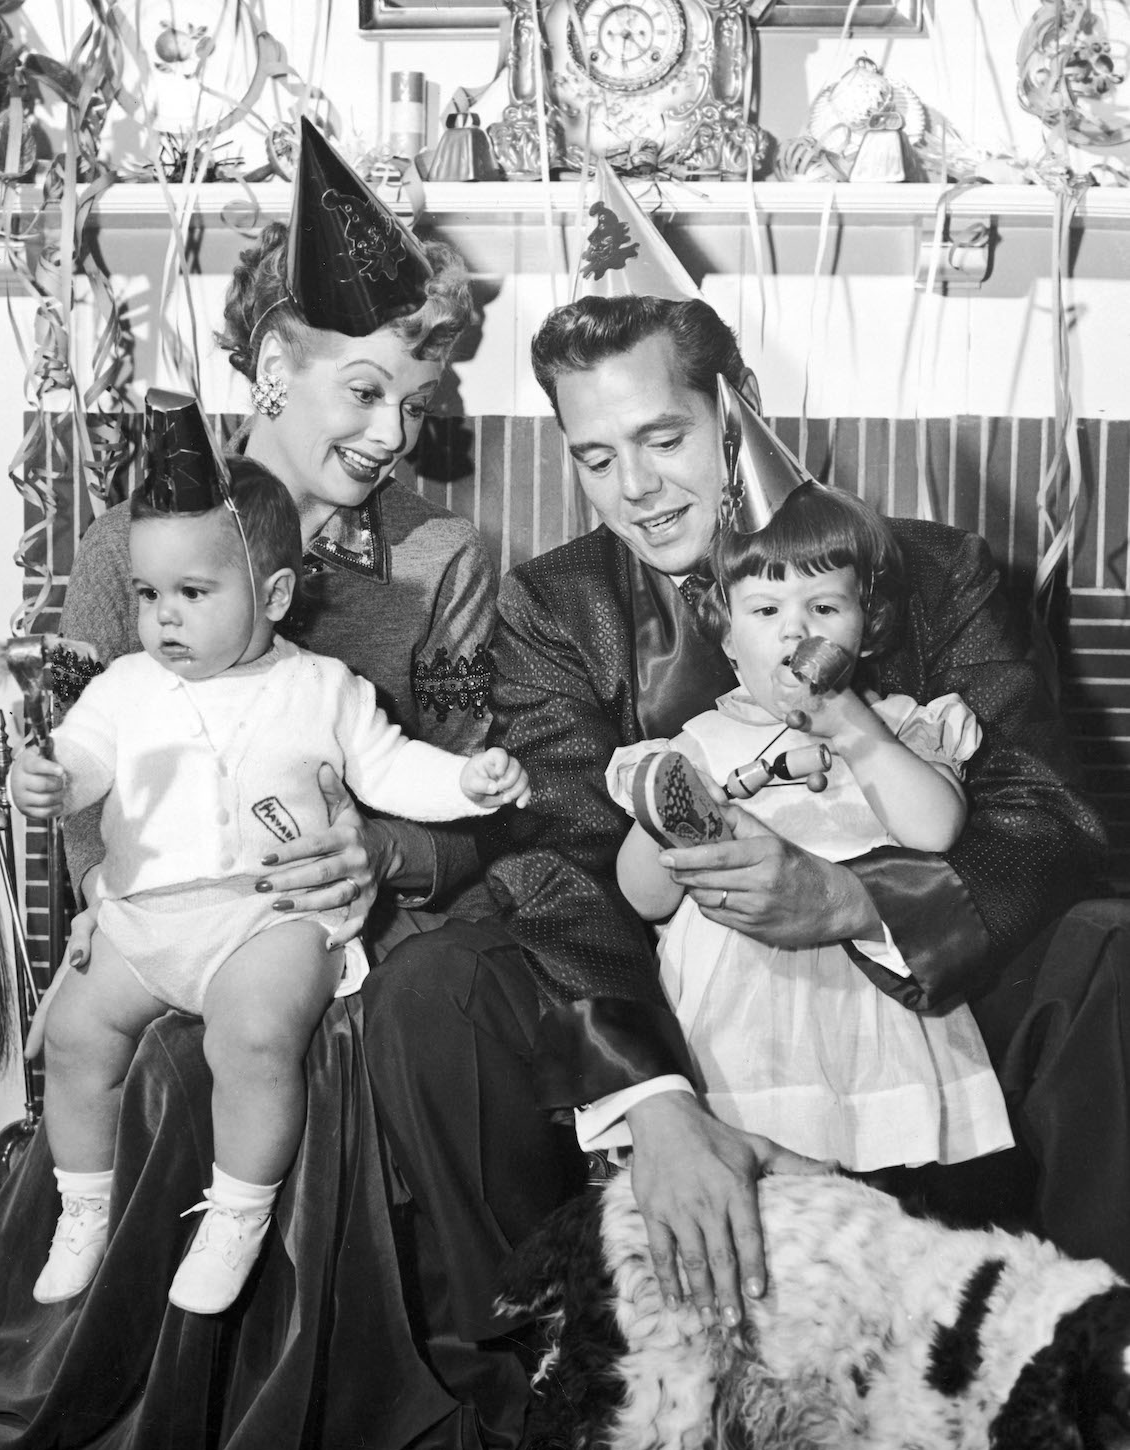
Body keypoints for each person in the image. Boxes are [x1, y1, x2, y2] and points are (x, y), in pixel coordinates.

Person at [0, 120, 582, 1450]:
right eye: (363, 391)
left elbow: (473, 821)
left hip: (361, 936)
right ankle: (148, 1411)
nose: (390, 433)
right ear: (271, 370)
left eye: (416, 401)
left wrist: (373, 854)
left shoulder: (445, 565)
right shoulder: (137, 549)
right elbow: (106, 785)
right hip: (168, 924)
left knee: (343, 1029)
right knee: (155, 1047)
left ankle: (410, 1410)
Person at [470, 291, 1124, 1355]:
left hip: (916, 975)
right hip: (683, 981)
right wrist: (652, 1094)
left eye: (662, 438)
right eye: (594, 457)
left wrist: (856, 900)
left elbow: (1047, 815)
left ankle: (1089, 1371)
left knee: (1111, 949)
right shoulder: (554, 606)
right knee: (439, 990)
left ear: (737, 413)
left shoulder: (931, 571)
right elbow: (558, 863)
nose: (633, 488)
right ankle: (551, 1395)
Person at [12, 424, 528, 1315]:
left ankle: (238, 1214)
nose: (162, 615)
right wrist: (49, 780)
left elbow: (393, 767)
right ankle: (83, 1204)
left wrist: (471, 783)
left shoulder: (323, 688)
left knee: (254, 1034)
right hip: (145, 919)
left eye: (193, 591)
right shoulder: (126, 686)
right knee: (72, 1035)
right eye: (146, 593)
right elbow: (84, 759)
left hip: (270, 916)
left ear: (275, 593)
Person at [606, 387, 1011, 1173]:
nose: (796, 630)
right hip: (734, 1023)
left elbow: (936, 830)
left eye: (824, 605)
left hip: (874, 1010)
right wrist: (675, 809)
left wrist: (859, 732)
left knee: (876, 1209)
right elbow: (644, 896)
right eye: (765, 611)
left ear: (869, 624)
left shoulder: (894, 724)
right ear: (726, 637)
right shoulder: (701, 742)